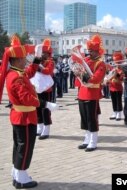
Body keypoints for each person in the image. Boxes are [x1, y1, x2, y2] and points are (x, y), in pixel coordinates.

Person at [0, 35, 58, 189]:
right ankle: (21, 178)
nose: (25, 60)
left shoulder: (16, 72)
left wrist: (37, 58)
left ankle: (17, 172)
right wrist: (45, 103)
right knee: (25, 147)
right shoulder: (16, 77)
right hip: (25, 117)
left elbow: (30, 72)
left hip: (20, 116)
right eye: (23, 58)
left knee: (19, 145)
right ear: (16, 60)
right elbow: (26, 98)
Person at [76, 35, 106, 152]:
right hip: (82, 92)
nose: (90, 53)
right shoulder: (86, 61)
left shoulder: (100, 63)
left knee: (92, 119)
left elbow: (96, 78)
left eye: (92, 51)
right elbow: (78, 71)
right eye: (89, 51)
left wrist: (84, 75)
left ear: (97, 51)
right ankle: (86, 139)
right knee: (84, 118)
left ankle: (93, 142)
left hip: (92, 93)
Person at [36, 39, 55, 140]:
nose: (42, 54)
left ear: (48, 53)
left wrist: (39, 67)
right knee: (37, 109)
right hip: (38, 88)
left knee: (45, 110)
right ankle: (40, 128)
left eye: (44, 52)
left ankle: (46, 130)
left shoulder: (50, 62)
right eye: (42, 52)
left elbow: (48, 71)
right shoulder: (39, 61)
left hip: (46, 89)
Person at [108, 51, 124, 121]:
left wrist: (116, 74)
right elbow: (109, 76)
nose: (116, 64)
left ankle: (119, 114)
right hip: (112, 86)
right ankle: (114, 112)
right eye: (116, 62)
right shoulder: (112, 68)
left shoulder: (121, 69)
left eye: (118, 62)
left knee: (118, 101)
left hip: (118, 87)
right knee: (113, 100)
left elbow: (121, 78)